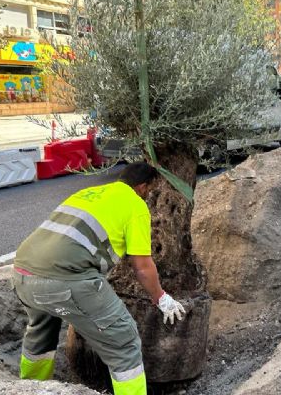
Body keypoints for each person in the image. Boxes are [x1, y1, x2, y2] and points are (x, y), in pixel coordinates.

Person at [12, 162, 185, 395]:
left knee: (40, 332)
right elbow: (142, 266)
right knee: (124, 340)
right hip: (66, 280)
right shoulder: (135, 205)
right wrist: (161, 298)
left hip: (23, 273)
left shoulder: (88, 192)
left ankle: (31, 388)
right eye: (150, 191)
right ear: (143, 187)